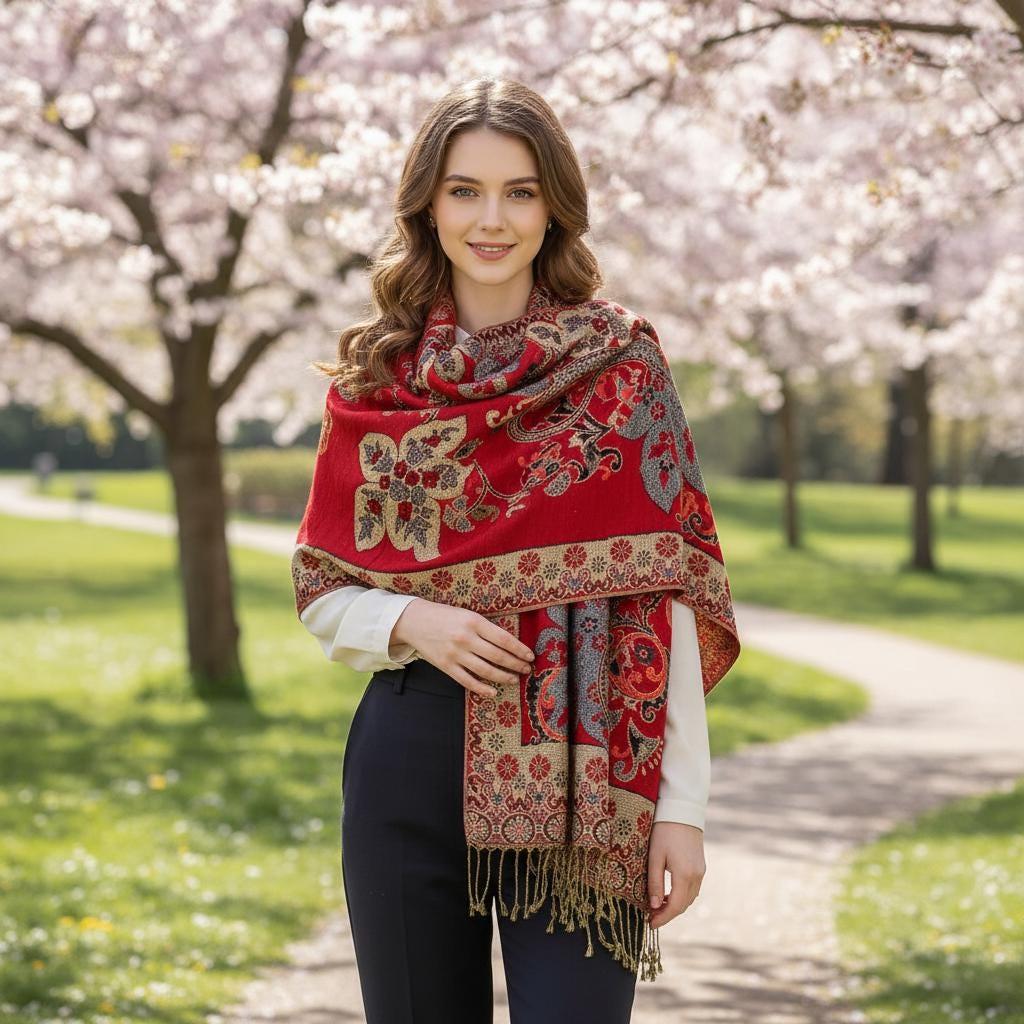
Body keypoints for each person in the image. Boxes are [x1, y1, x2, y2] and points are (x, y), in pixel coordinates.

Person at [291, 76, 741, 1024]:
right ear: (428, 204)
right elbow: (323, 589)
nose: (491, 219)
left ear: (553, 208)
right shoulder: (378, 380)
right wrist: (413, 621)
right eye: (465, 190)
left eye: (519, 192)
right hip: (408, 752)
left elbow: (667, 594)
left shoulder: (619, 366)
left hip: (590, 767)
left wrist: (681, 809)